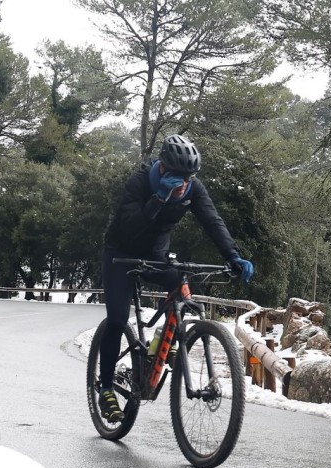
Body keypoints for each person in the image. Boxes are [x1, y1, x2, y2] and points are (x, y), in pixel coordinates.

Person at [96, 134, 254, 423]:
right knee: (117, 320)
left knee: (181, 289)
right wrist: (158, 200)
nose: (184, 183)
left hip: (156, 255)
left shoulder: (193, 187)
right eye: (179, 176)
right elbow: (128, 227)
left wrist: (233, 255)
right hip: (121, 253)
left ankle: (158, 351)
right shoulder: (140, 182)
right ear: (163, 169)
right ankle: (106, 388)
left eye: (189, 177)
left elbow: (212, 220)